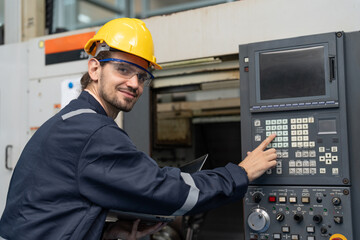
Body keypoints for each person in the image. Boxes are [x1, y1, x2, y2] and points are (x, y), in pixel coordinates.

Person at [0, 18, 277, 240]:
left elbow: (49, 214)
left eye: (142, 76)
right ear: (95, 69)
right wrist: (240, 173)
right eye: (123, 69)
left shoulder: (69, 121)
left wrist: (105, 232)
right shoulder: (93, 132)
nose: (135, 84)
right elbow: (165, 192)